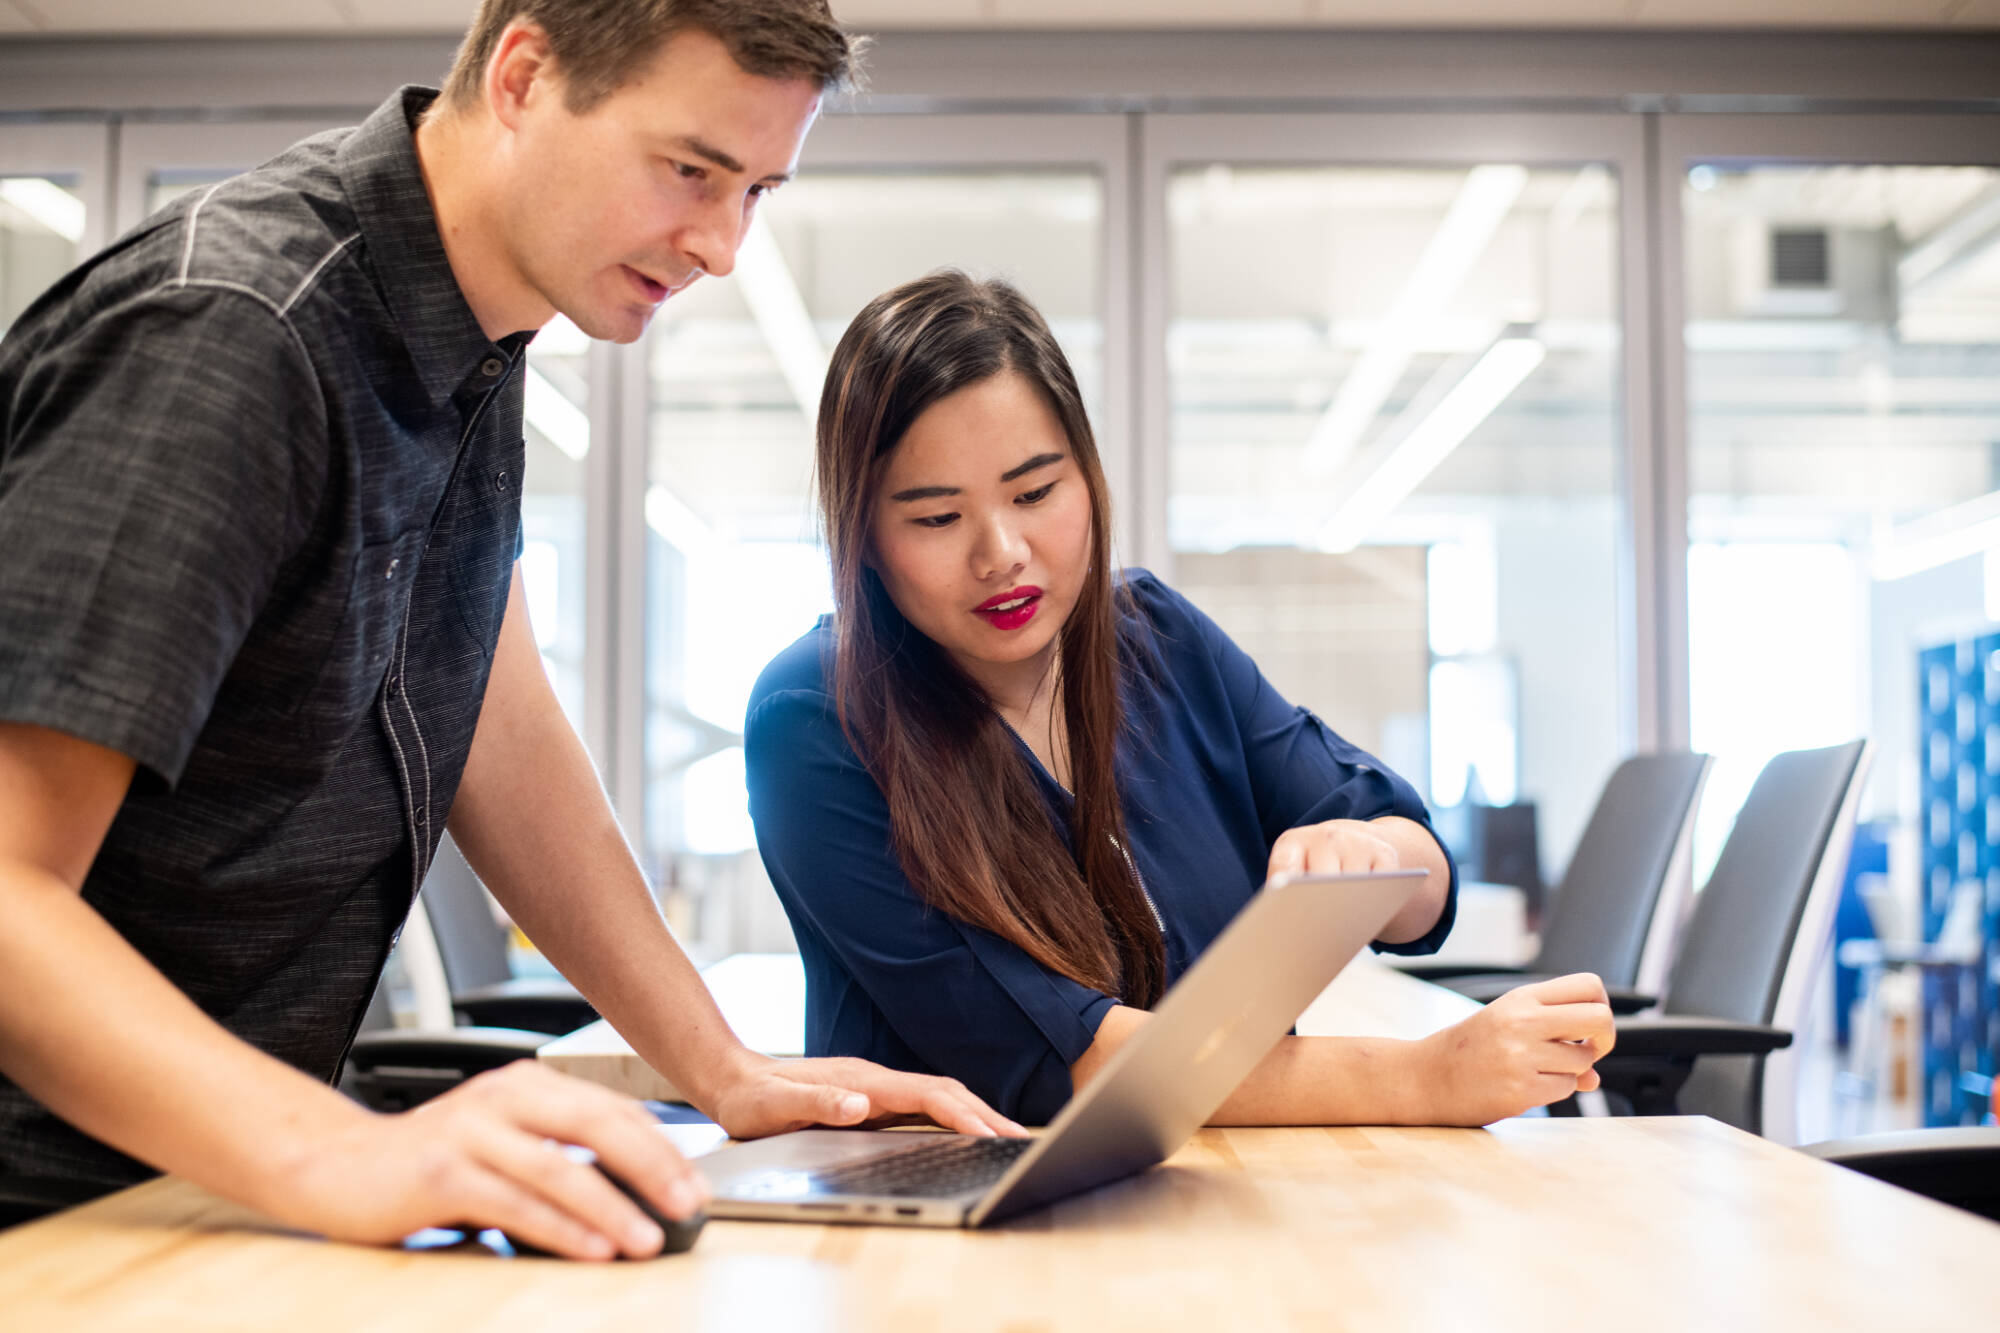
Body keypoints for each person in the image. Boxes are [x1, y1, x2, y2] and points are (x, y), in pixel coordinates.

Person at [0, 1, 1022, 1263]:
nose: (719, 247)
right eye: (690, 171)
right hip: (48, 1208)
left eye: (755, 189)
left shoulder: (471, 336)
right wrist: (348, 1150)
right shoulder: (233, 341)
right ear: (527, 75)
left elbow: (491, 716)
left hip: (202, 1188)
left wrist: (722, 1069)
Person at [744, 270, 1616, 1127]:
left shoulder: (1156, 638)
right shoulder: (815, 716)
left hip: (1217, 1194)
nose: (1001, 551)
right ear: (863, 535)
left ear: (1087, 477)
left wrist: (1373, 857)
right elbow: (1074, 1064)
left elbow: (1422, 876)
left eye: (1036, 491)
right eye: (937, 518)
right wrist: (1427, 1077)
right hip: (958, 1228)